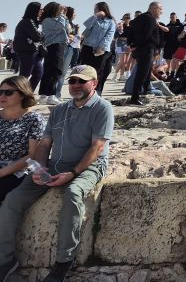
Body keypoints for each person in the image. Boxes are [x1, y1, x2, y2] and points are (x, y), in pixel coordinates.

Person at [0, 65, 114, 282]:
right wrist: (41, 168)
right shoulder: (60, 109)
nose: (75, 85)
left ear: (94, 83)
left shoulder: (103, 108)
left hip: (88, 166)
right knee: (13, 199)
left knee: (73, 193)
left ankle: (64, 261)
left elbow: (97, 147)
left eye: (81, 81)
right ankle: (5, 261)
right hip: (55, 165)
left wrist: (73, 173)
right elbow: (45, 144)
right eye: (72, 81)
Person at [0, 76, 45, 204]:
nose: (2, 96)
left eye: (8, 92)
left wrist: (1, 172)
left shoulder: (34, 119)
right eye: (0, 92)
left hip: (16, 171)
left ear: (22, 95)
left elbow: (32, 155)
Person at [127, 2, 164, 105]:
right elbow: (146, 35)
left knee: (147, 72)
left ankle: (146, 91)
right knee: (142, 73)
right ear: (154, 8)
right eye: (160, 9)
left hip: (142, 50)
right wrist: (136, 45)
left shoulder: (137, 19)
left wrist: (131, 44)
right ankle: (135, 98)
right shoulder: (150, 19)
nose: (161, 12)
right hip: (146, 49)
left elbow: (130, 31)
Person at [79, 3, 117, 96]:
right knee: (86, 71)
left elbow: (109, 36)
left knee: (98, 71)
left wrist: (101, 47)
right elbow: (86, 24)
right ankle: (84, 91)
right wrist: (95, 16)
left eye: (96, 9)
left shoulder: (111, 22)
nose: (95, 10)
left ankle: (96, 92)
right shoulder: (94, 19)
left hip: (102, 49)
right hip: (88, 47)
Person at [38, 3, 70, 105]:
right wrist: (62, 16)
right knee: (55, 70)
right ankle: (51, 95)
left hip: (59, 45)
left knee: (50, 70)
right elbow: (59, 27)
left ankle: (44, 96)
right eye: (59, 9)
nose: (61, 10)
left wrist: (64, 17)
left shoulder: (58, 19)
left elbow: (67, 29)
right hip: (54, 45)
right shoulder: (47, 20)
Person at [13, 2, 43, 90]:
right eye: (41, 9)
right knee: (24, 75)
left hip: (33, 51)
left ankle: (27, 94)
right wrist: (43, 34)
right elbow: (37, 37)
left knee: (38, 73)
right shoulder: (28, 21)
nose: (42, 11)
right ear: (34, 10)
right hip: (27, 51)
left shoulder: (33, 21)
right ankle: (17, 94)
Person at [113, 14, 133, 82]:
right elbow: (115, 36)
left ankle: (121, 75)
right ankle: (115, 75)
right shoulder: (120, 25)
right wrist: (119, 27)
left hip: (128, 43)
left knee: (126, 61)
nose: (126, 19)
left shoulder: (131, 26)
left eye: (128, 18)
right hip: (120, 43)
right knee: (122, 61)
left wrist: (130, 44)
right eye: (125, 18)